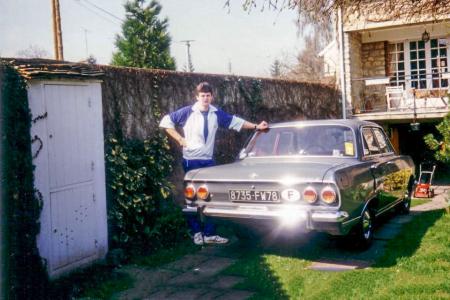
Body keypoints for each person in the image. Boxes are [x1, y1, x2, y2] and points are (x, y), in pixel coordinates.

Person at [159, 82, 269, 245]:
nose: (205, 98)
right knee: (192, 200)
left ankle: (210, 234)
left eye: (208, 95)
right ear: (197, 97)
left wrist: (256, 126)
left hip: (208, 161)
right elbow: (165, 122)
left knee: (211, 197)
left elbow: (235, 122)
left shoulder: (216, 113)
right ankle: (197, 233)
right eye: (202, 95)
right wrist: (180, 139)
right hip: (191, 161)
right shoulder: (187, 112)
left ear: (212, 97)